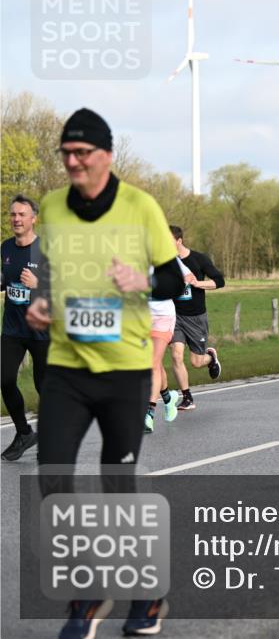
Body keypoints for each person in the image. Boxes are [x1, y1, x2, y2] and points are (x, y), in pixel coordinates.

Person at [27, 108, 181, 636]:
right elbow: (49, 271)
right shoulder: (51, 207)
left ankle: (149, 595)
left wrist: (140, 279)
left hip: (125, 370)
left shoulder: (140, 207)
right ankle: (88, 592)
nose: (71, 162)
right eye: (65, 153)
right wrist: (43, 301)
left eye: (81, 153)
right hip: (67, 368)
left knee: (117, 484)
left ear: (106, 156)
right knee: (51, 477)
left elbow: (170, 281)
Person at [1, 195, 48, 461]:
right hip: (13, 329)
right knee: (4, 379)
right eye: (12, 214)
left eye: (21, 214)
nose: (16, 219)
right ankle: (23, 433)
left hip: (42, 330)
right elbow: (6, 280)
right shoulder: (5, 248)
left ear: (33, 218)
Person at [168, 225, 223, 411]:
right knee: (176, 355)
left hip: (196, 317)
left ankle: (210, 357)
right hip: (175, 317)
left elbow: (219, 281)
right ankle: (187, 397)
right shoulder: (167, 262)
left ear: (179, 241)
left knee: (196, 362)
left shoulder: (198, 259)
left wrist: (197, 283)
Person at [144, 258, 190, 433]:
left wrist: (165, 288)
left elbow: (188, 276)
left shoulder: (167, 256)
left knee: (152, 363)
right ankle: (167, 397)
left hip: (163, 316)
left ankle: (148, 415)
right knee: (155, 363)